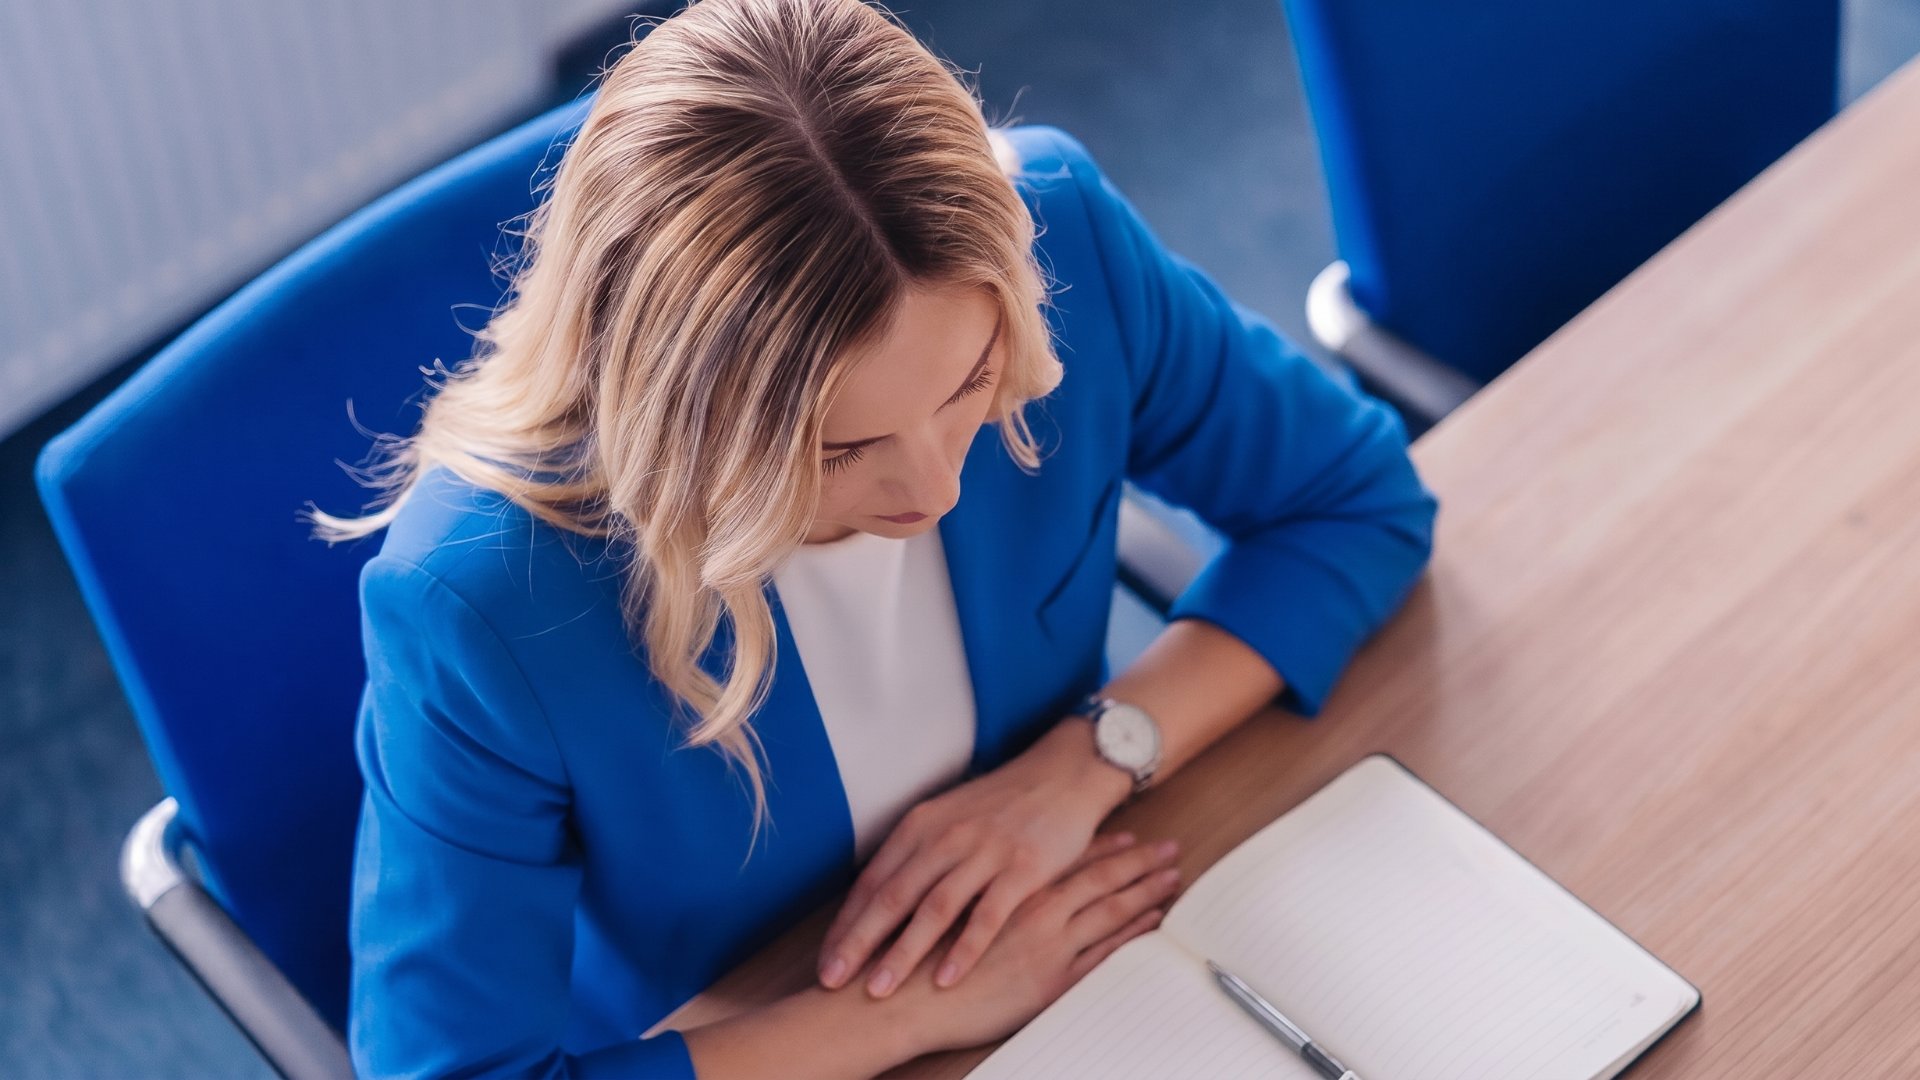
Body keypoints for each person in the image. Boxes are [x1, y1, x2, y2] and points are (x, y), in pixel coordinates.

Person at [324, 0, 1435, 1075]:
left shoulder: (1067, 240)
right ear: (680, 428)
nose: (938, 488)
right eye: (838, 452)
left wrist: (1089, 760)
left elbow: (1354, 500)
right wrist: (895, 1019)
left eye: (970, 385)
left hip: (1083, 936)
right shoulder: (477, 604)